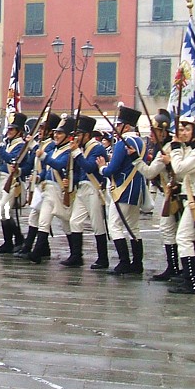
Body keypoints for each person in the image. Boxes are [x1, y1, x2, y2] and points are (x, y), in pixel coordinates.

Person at [130, 109, 181, 280]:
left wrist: (136, 159)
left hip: (175, 195)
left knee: (169, 230)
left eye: (155, 131)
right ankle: (176, 267)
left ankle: (174, 268)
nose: (151, 134)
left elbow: (150, 172)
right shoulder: (167, 148)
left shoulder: (166, 150)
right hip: (173, 193)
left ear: (163, 132)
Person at [96, 106, 146, 275]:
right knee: (134, 227)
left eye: (118, 125)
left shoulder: (122, 143)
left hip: (123, 189)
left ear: (125, 126)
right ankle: (137, 264)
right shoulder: (141, 142)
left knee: (115, 226)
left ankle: (124, 262)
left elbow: (113, 168)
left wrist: (102, 168)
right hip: (136, 190)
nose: (116, 128)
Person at [166, 112, 195, 294]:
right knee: (189, 238)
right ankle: (190, 282)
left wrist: (175, 149)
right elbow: (183, 175)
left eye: (188, 129)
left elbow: (181, 168)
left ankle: (191, 282)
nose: (182, 133)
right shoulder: (194, 149)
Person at [26, 115, 75, 264]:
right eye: (55, 132)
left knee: (66, 223)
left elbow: (58, 165)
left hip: (60, 190)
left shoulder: (69, 151)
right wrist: (40, 177)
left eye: (60, 133)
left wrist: (44, 156)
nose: (56, 135)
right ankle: (36, 253)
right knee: (43, 220)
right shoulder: (55, 148)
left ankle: (75, 254)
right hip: (48, 189)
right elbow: (47, 169)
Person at [65, 115, 109, 268]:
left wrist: (76, 153)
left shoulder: (97, 148)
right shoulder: (81, 149)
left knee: (97, 224)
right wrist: (70, 181)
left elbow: (90, 167)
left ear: (87, 135)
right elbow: (77, 170)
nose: (76, 137)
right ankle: (76, 256)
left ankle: (103, 258)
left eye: (79, 134)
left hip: (93, 188)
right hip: (82, 189)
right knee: (74, 221)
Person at [17, 112, 60, 257]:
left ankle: (30, 247)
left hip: (47, 184)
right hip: (39, 185)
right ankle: (39, 248)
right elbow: (31, 164)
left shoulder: (50, 146)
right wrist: (20, 171)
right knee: (37, 215)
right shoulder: (42, 144)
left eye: (43, 129)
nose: (40, 131)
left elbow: (46, 162)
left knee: (41, 217)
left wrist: (33, 145)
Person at [0, 112, 27, 253]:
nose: (9, 131)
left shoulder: (21, 145)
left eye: (12, 129)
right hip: (3, 180)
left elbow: (12, 160)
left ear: (19, 132)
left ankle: (18, 238)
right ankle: (9, 242)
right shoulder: (9, 144)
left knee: (3, 212)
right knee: (4, 212)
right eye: (9, 129)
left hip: (13, 182)